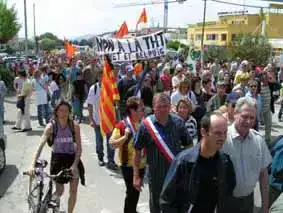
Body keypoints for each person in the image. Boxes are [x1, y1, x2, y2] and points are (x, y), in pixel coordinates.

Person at [160, 112, 236, 213]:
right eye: (217, 133)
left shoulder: (225, 162)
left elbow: (228, 194)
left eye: (225, 132)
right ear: (203, 132)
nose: (222, 137)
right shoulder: (184, 162)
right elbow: (166, 200)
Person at [133, 92, 193, 213]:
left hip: (176, 175)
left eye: (165, 106)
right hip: (156, 177)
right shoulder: (145, 126)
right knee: (156, 206)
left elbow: (189, 145)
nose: (162, 109)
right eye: (159, 106)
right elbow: (137, 151)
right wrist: (136, 176)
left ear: (170, 106)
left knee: (176, 206)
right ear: (153, 107)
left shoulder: (178, 123)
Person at [29, 101, 84, 213]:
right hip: (58, 159)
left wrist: (74, 165)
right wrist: (32, 165)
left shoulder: (74, 126)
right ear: (56, 112)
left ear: (69, 112)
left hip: (72, 158)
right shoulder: (51, 127)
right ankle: (49, 201)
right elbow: (40, 146)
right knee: (59, 191)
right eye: (61, 110)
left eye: (66, 111)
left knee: (73, 191)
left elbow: (79, 148)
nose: (63, 113)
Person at [222, 97, 272, 213]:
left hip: (248, 201)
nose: (248, 121)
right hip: (224, 202)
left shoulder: (258, 140)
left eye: (252, 118)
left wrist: (265, 207)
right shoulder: (222, 138)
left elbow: (263, 174)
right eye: (244, 116)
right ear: (235, 114)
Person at [109, 97, 146, 213]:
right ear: (133, 111)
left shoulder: (144, 124)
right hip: (127, 165)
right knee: (131, 191)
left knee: (136, 191)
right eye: (141, 109)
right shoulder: (122, 125)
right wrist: (125, 137)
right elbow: (112, 144)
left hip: (142, 164)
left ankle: (132, 210)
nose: (143, 111)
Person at [86, 74, 116, 169]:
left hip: (108, 121)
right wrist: (91, 119)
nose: (102, 78)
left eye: (103, 76)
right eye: (100, 76)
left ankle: (111, 160)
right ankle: (100, 158)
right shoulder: (93, 88)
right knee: (99, 141)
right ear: (97, 77)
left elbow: (114, 103)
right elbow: (89, 104)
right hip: (97, 120)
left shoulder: (110, 87)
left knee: (110, 141)